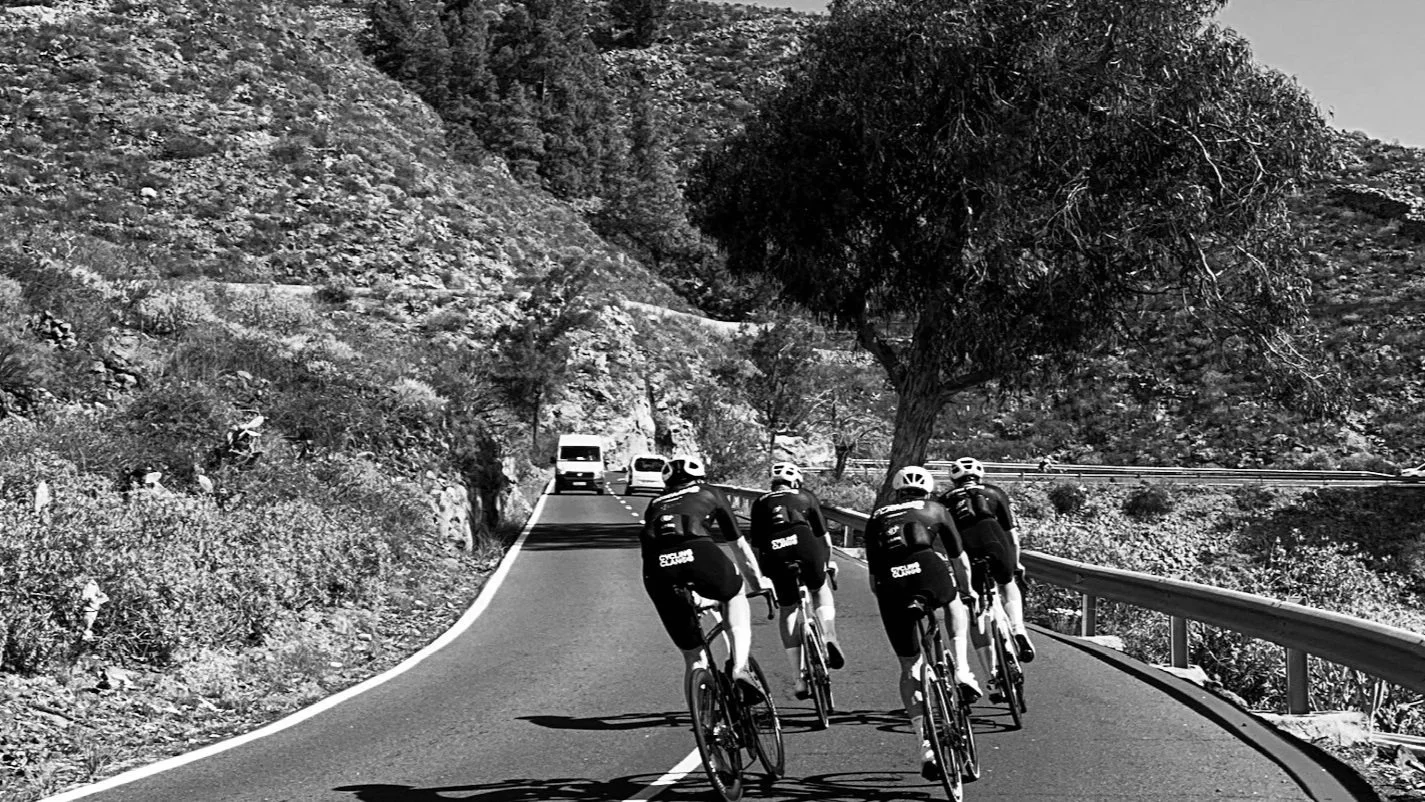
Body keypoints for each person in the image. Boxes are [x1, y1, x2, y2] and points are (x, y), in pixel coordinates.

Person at [864, 464, 980, 781]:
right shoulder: (936, 508)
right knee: (954, 601)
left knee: (909, 667)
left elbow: (873, 578)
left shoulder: (877, 517)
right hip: (928, 569)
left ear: (897, 491)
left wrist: (893, 597)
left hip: (891, 585)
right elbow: (958, 559)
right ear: (926, 489)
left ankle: (925, 747)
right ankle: (961, 670)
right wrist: (968, 591)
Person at [641, 454, 772, 701]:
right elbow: (739, 546)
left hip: (656, 569)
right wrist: (758, 583)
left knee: (693, 658)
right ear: (699, 476)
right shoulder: (710, 492)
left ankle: (707, 728)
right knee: (735, 594)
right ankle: (740, 667)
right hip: (698, 552)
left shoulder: (655, 503)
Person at [941, 456, 1036, 702]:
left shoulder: (944, 501)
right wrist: (1016, 564)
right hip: (996, 541)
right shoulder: (995, 492)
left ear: (954, 479)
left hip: (967, 550)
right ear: (979, 475)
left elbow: (946, 545)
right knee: (1007, 583)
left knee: (975, 612)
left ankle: (992, 676)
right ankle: (1018, 629)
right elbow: (1012, 536)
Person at [747, 461, 844, 699]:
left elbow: (756, 546)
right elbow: (824, 539)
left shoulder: (760, 503)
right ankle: (830, 636)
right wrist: (827, 563)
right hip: (805, 543)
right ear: (796, 481)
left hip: (776, 551)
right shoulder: (805, 496)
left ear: (772, 483)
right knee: (820, 589)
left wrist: (763, 574)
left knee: (788, 609)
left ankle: (798, 679)